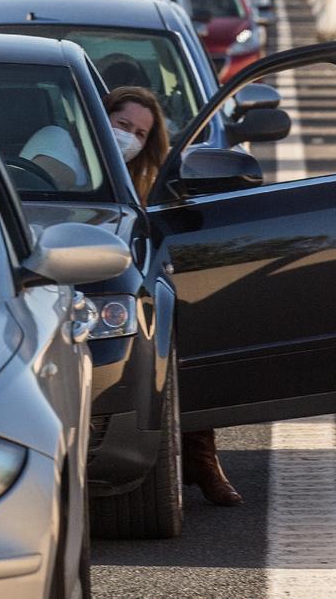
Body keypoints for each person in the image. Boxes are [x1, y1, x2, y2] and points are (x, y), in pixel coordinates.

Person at [104, 86, 244, 507]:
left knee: (188, 329)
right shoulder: (70, 159)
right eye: (122, 125)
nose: (128, 138)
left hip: (132, 289)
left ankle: (202, 459)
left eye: (141, 134)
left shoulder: (146, 183)